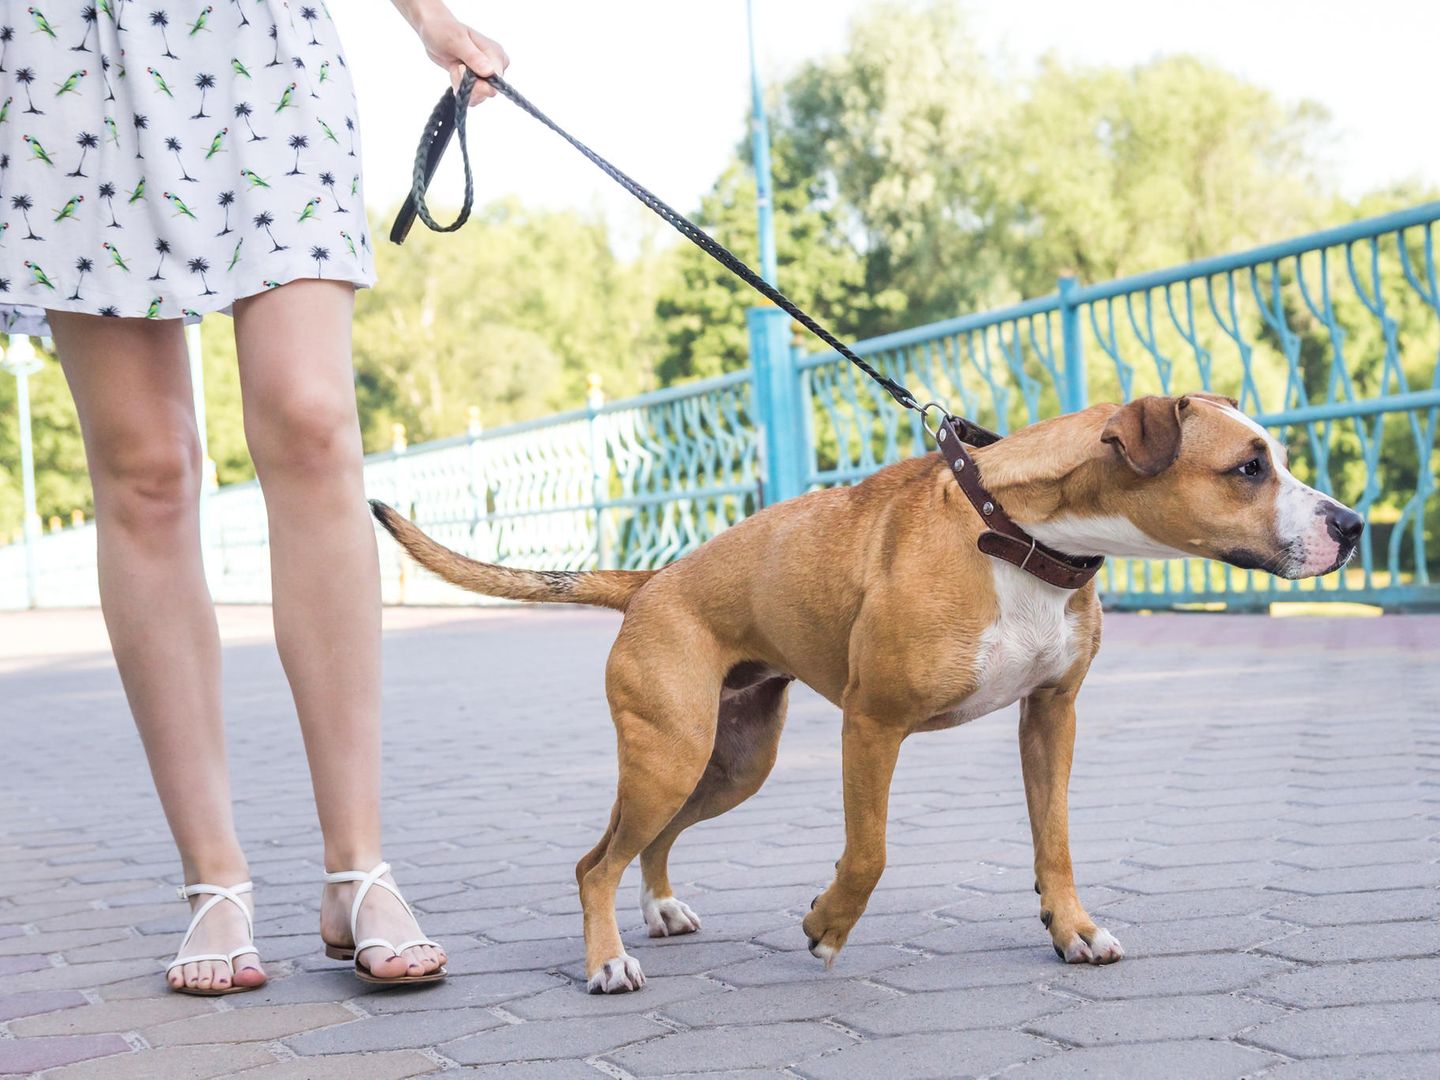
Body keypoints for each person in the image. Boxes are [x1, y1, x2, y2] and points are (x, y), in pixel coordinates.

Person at [0, 1, 508, 995]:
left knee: (313, 419)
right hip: (67, 48)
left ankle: (358, 869)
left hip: (254, 35)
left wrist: (428, 16)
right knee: (146, 470)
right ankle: (213, 882)